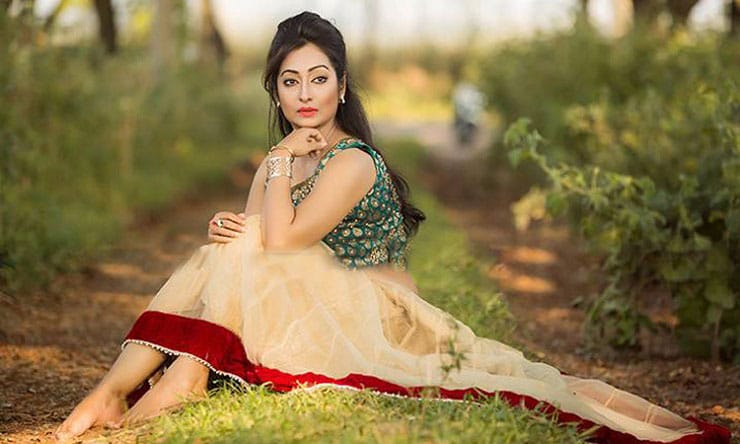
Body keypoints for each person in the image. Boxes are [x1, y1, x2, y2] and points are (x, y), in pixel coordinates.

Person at [54, 11, 730, 443]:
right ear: (276, 92)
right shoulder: (284, 157)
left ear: (342, 86)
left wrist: (274, 175)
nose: (306, 94)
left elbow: (281, 240)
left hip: (380, 317)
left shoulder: (352, 161)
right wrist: (235, 221)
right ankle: (124, 389)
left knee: (251, 247)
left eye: (319, 78)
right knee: (229, 248)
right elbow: (256, 241)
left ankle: (167, 380)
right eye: (290, 82)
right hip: (313, 305)